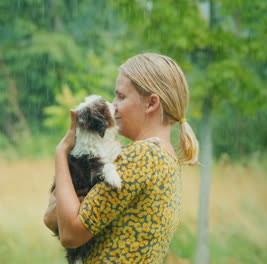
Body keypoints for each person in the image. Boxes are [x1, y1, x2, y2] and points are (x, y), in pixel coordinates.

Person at [44, 53, 199, 263]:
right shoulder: (165, 159)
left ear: (151, 103)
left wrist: (62, 151)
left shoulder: (141, 156)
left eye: (121, 97)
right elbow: (56, 218)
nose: (113, 105)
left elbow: (70, 234)